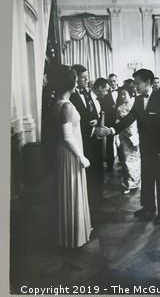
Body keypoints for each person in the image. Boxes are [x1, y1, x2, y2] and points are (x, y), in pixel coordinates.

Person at [100, 69, 160, 224]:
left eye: (138, 83)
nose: (135, 86)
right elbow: (129, 118)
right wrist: (112, 130)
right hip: (145, 148)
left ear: (148, 82)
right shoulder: (139, 100)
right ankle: (148, 208)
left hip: (159, 150)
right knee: (146, 178)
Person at [51, 65, 92, 249]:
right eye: (76, 79)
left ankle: (72, 234)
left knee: (70, 190)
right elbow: (67, 137)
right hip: (70, 153)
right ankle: (74, 236)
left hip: (66, 152)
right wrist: (81, 157)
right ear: (71, 82)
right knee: (72, 190)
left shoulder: (58, 102)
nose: (78, 82)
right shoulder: (66, 106)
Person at [70, 65, 107, 205]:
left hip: (93, 137)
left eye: (87, 76)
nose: (86, 79)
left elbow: (89, 113)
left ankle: (99, 196)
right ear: (75, 78)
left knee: (98, 166)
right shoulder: (72, 96)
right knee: (90, 170)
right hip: (83, 139)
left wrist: (96, 122)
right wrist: (92, 129)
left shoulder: (85, 93)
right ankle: (91, 199)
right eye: (83, 77)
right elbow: (75, 121)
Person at [116, 87, 141, 194]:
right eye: (121, 94)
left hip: (134, 134)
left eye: (124, 94)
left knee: (136, 160)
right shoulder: (119, 108)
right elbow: (117, 122)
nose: (122, 96)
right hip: (124, 135)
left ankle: (136, 182)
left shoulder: (134, 106)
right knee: (126, 161)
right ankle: (128, 184)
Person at [102, 73, 119, 171]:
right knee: (109, 142)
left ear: (117, 81)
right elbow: (103, 106)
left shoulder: (122, 91)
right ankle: (110, 164)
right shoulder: (105, 93)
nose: (113, 83)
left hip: (121, 120)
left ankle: (122, 161)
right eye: (110, 81)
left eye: (114, 81)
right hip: (110, 120)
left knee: (122, 141)